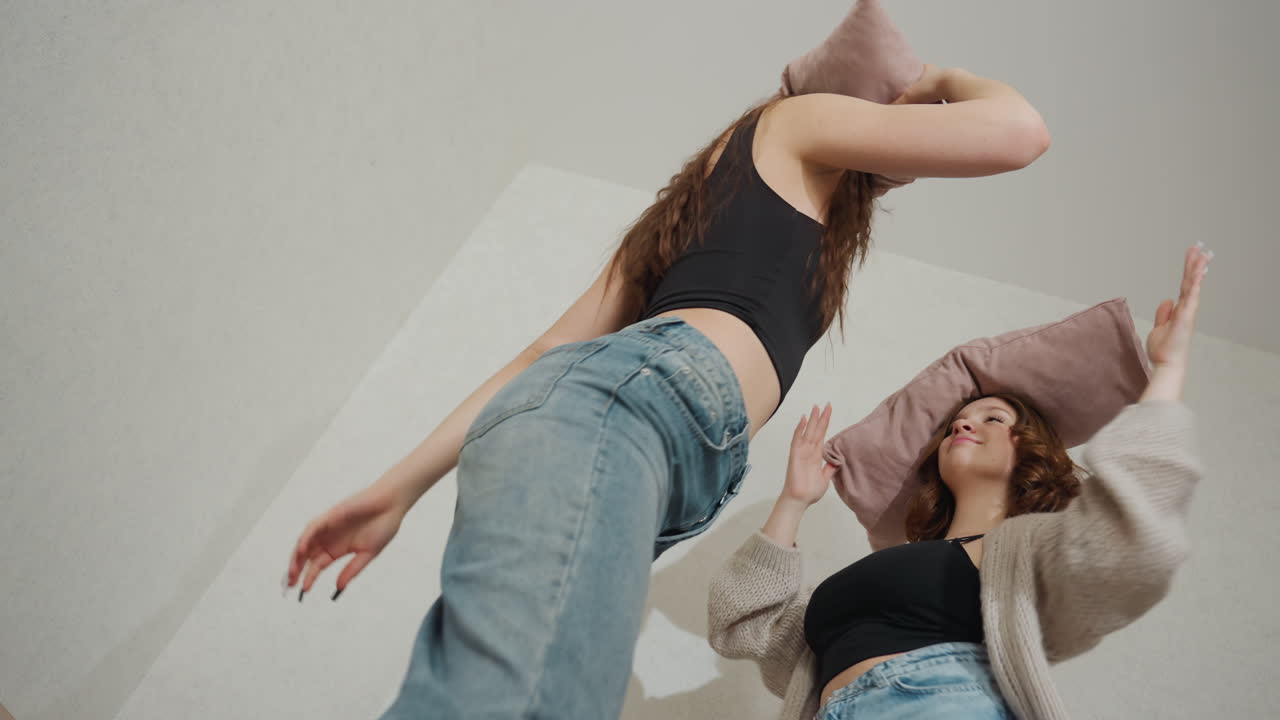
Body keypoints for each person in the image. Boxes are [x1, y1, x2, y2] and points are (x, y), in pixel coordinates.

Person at [283, 57, 1050, 719]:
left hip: (595, 416)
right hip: (622, 410)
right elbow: (1019, 131)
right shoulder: (791, 122)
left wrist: (399, 488)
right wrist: (939, 81)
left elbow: (543, 355)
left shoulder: (689, 222)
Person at [707, 245, 1211, 719]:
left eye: (992, 418)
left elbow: (1130, 542)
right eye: (955, 424)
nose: (965, 424)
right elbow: (743, 624)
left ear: (1032, 450)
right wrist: (794, 500)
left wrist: (1168, 370)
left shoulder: (1032, 551)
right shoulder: (880, 567)